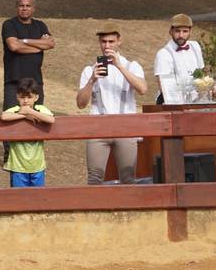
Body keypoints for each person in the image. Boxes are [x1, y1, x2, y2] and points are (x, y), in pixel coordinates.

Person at [76, 23, 147, 185]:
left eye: (111, 42)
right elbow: (80, 103)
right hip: (99, 126)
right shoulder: (89, 69)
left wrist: (119, 66)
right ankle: (95, 210)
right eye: (104, 42)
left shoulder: (131, 65)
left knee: (128, 178)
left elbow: (142, 89)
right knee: (94, 178)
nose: (107, 46)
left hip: (125, 126)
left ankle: (129, 210)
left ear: (119, 41)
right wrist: (92, 80)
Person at [1, 0, 54, 109]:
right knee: (11, 117)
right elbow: (14, 46)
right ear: (17, 7)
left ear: (33, 8)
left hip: (36, 81)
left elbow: (50, 44)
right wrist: (39, 46)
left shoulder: (40, 25)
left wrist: (24, 41)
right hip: (14, 81)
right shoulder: (9, 24)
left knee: (37, 118)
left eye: (28, 6)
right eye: (21, 5)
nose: (24, 8)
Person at [0, 78, 55, 187]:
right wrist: (24, 115)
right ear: (17, 97)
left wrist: (30, 111)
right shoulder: (15, 110)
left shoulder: (40, 109)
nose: (25, 101)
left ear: (36, 97)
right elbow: (4, 116)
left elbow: (51, 119)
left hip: (37, 166)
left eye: (29, 97)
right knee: (19, 199)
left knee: (37, 199)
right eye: (22, 97)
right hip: (17, 167)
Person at [153, 14, 204, 105]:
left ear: (190, 31)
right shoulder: (163, 54)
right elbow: (164, 87)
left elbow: (201, 74)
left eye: (185, 31)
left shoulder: (195, 46)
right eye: (177, 31)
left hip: (196, 103)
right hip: (173, 104)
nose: (181, 35)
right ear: (171, 31)